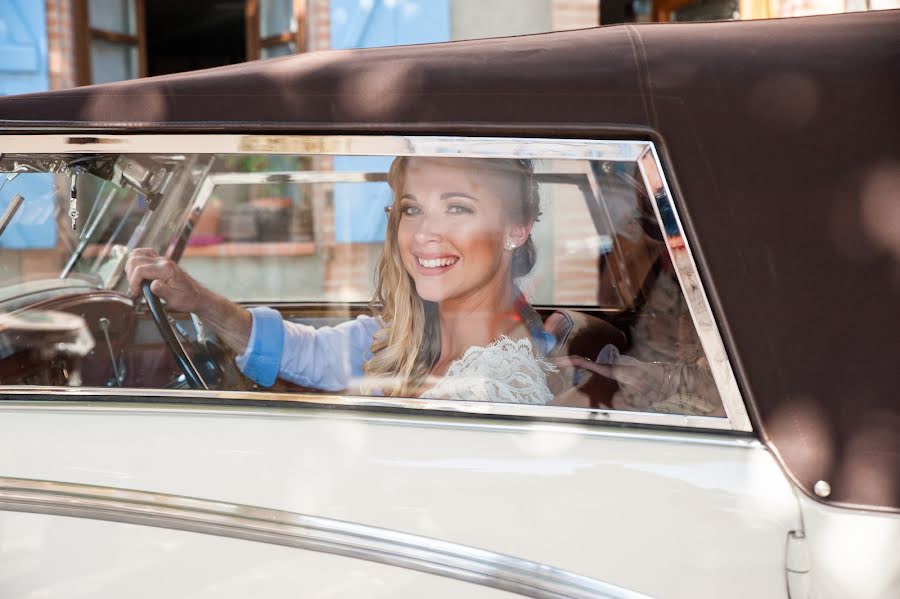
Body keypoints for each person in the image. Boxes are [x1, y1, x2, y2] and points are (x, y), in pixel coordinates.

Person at [125, 156, 557, 404]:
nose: (425, 234)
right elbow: (315, 353)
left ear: (515, 229)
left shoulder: (498, 387)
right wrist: (198, 299)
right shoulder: (415, 333)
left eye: (458, 208)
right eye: (411, 209)